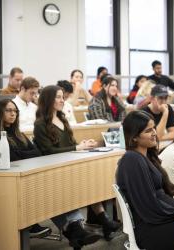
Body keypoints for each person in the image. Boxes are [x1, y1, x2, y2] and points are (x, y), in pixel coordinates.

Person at [33, 85, 121, 241]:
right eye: (58, 97)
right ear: (49, 100)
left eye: (62, 97)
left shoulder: (62, 118)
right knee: (83, 184)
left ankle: (104, 221)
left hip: (69, 164)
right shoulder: (40, 124)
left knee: (92, 181)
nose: (62, 100)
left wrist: (83, 144)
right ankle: (102, 221)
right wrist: (77, 147)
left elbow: (71, 143)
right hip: (54, 169)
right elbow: (48, 151)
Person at [116, 110, 174, 250]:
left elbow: (158, 197)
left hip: (158, 221)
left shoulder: (145, 157)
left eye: (153, 128)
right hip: (150, 228)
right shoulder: (132, 160)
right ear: (134, 137)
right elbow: (148, 206)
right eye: (148, 130)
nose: (154, 133)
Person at [0, 99, 52, 239]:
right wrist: (25, 154)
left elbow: (37, 152)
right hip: (6, 180)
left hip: (25, 175)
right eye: (8, 110)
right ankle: (30, 226)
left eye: (15, 111)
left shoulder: (19, 134)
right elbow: (11, 158)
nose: (13, 114)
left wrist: (22, 154)